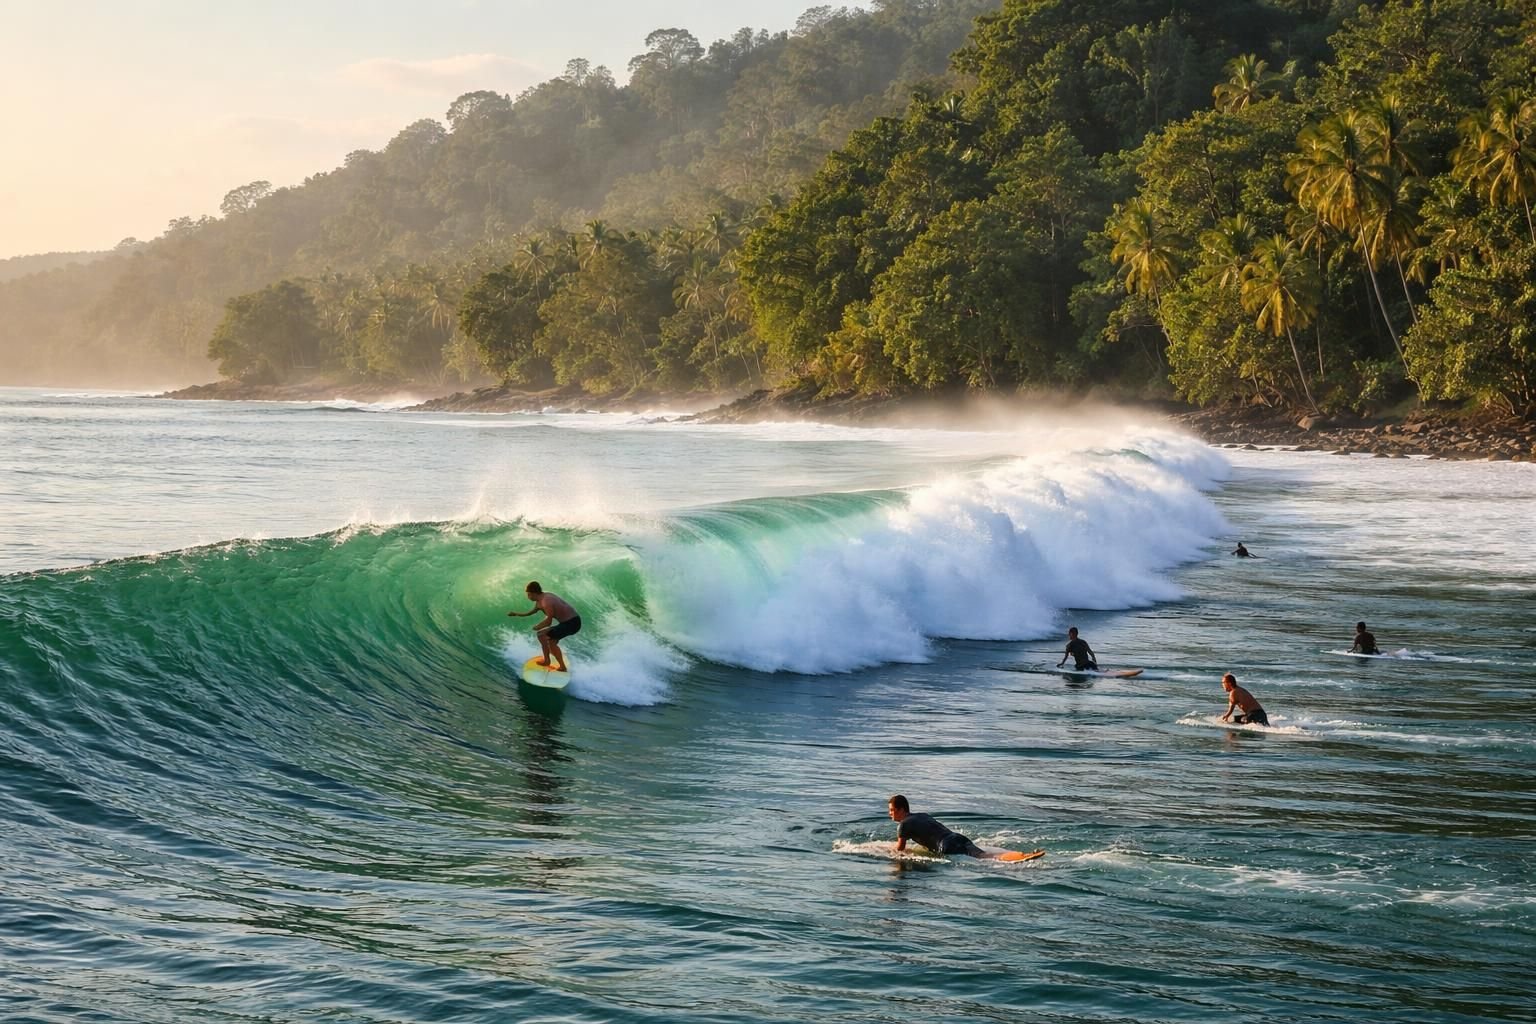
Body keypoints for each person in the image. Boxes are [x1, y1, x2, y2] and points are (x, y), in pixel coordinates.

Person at [887, 795, 1039, 861]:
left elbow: (900, 849)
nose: (890, 814)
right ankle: (1020, 855)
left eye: (892, 810)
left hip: (947, 846)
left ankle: (1017, 858)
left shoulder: (904, 824)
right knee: (984, 855)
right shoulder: (922, 815)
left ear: (901, 810)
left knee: (984, 859)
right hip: (956, 837)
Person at [508, 581, 581, 672]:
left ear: (534, 593)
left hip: (572, 623)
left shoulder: (546, 602)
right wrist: (516, 614)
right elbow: (531, 612)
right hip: (567, 623)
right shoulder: (541, 599)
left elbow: (548, 621)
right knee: (543, 636)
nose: (528, 597)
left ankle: (560, 666)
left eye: (529, 594)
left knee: (545, 637)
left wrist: (538, 626)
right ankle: (549, 658)